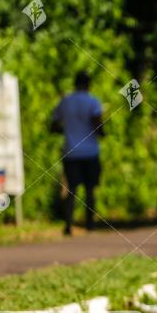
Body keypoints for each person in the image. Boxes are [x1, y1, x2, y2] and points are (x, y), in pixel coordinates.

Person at [51, 71, 104, 235]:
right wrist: (102, 133)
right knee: (90, 190)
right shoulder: (93, 102)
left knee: (71, 189)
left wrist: (67, 130)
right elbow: (97, 124)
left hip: (71, 151)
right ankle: (90, 224)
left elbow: (53, 125)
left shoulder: (65, 102)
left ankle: (68, 224)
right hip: (90, 151)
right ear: (89, 84)